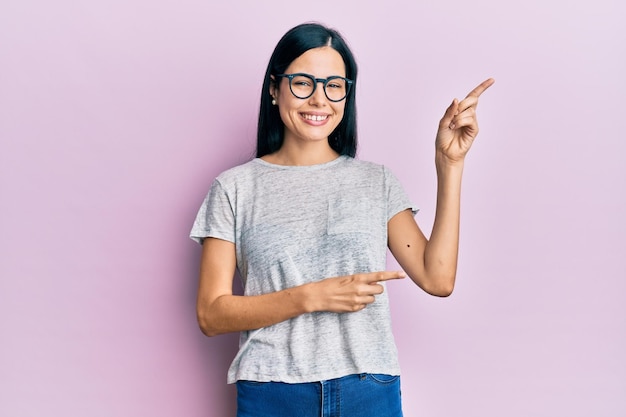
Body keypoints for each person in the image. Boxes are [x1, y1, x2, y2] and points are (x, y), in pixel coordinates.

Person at [190, 22, 494, 417]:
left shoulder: (375, 181)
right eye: (303, 83)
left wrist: (449, 164)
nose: (319, 100)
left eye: (334, 85)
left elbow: (437, 278)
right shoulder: (234, 188)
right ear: (273, 88)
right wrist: (310, 297)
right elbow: (211, 314)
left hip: (368, 389)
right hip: (274, 392)